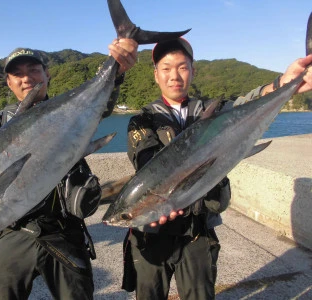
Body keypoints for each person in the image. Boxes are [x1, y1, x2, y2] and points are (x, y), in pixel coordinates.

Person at [0, 38, 138, 300]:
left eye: (33, 71)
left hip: (64, 228)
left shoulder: (73, 106)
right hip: (16, 231)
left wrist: (117, 70)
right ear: (8, 82)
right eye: (18, 74)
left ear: (47, 74)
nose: (26, 79)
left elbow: (101, 106)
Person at [121, 37, 312, 300]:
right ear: (155, 75)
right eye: (165, 68)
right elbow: (148, 165)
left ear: (193, 70)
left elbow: (246, 105)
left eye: (182, 67)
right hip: (153, 236)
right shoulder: (142, 120)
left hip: (198, 230)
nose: (174, 75)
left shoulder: (212, 110)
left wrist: (284, 84)